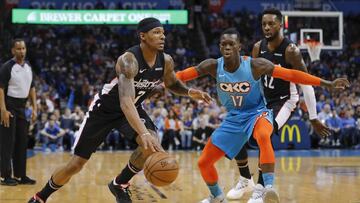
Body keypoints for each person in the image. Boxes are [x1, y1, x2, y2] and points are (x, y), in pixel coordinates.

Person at [28, 17, 211, 203]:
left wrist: (189, 92)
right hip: (105, 110)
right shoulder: (129, 60)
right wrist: (143, 132)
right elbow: (125, 101)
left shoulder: (166, 61)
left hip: (133, 108)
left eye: (163, 33)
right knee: (76, 164)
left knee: (151, 143)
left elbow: (171, 82)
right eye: (157, 32)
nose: (162, 36)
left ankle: (119, 183)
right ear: (143, 36)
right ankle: (40, 197)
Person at [175, 28, 349, 203]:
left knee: (263, 135)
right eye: (224, 44)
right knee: (203, 162)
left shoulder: (255, 65)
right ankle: (217, 196)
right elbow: (180, 76)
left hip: (257, 113)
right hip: (234, 118)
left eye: (231, 44)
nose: (227, 47)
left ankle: (268, 188)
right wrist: (162, 80)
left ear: (239, 47)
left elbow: (292, 74)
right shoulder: (212, 65)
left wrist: (327, 84)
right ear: (220, 47)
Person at [226, 8, 332, 203]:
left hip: (285, 101)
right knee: (234, 127)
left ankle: (260, 188)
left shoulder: (291, 51)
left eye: (271, 24)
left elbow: (307, 83)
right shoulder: (258, 47)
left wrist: (314, 117)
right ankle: (245, 178)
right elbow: (253, 77)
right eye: (264, 24)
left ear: (280, 24)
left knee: (263, 134)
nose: (266, 27)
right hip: (263, 100)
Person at [0, 39, 37, 186]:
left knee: (22, 142)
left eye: (23, 48)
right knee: (7, 142)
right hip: (9, 105)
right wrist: (2, 110)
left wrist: (34, 108)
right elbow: (0, 89)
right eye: (18, 49)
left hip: (22, 107)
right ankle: (5, 176)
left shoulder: (28, 67)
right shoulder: (7, 67)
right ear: (13, 51)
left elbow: (32, 88)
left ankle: (21, 175)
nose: (21, 51)